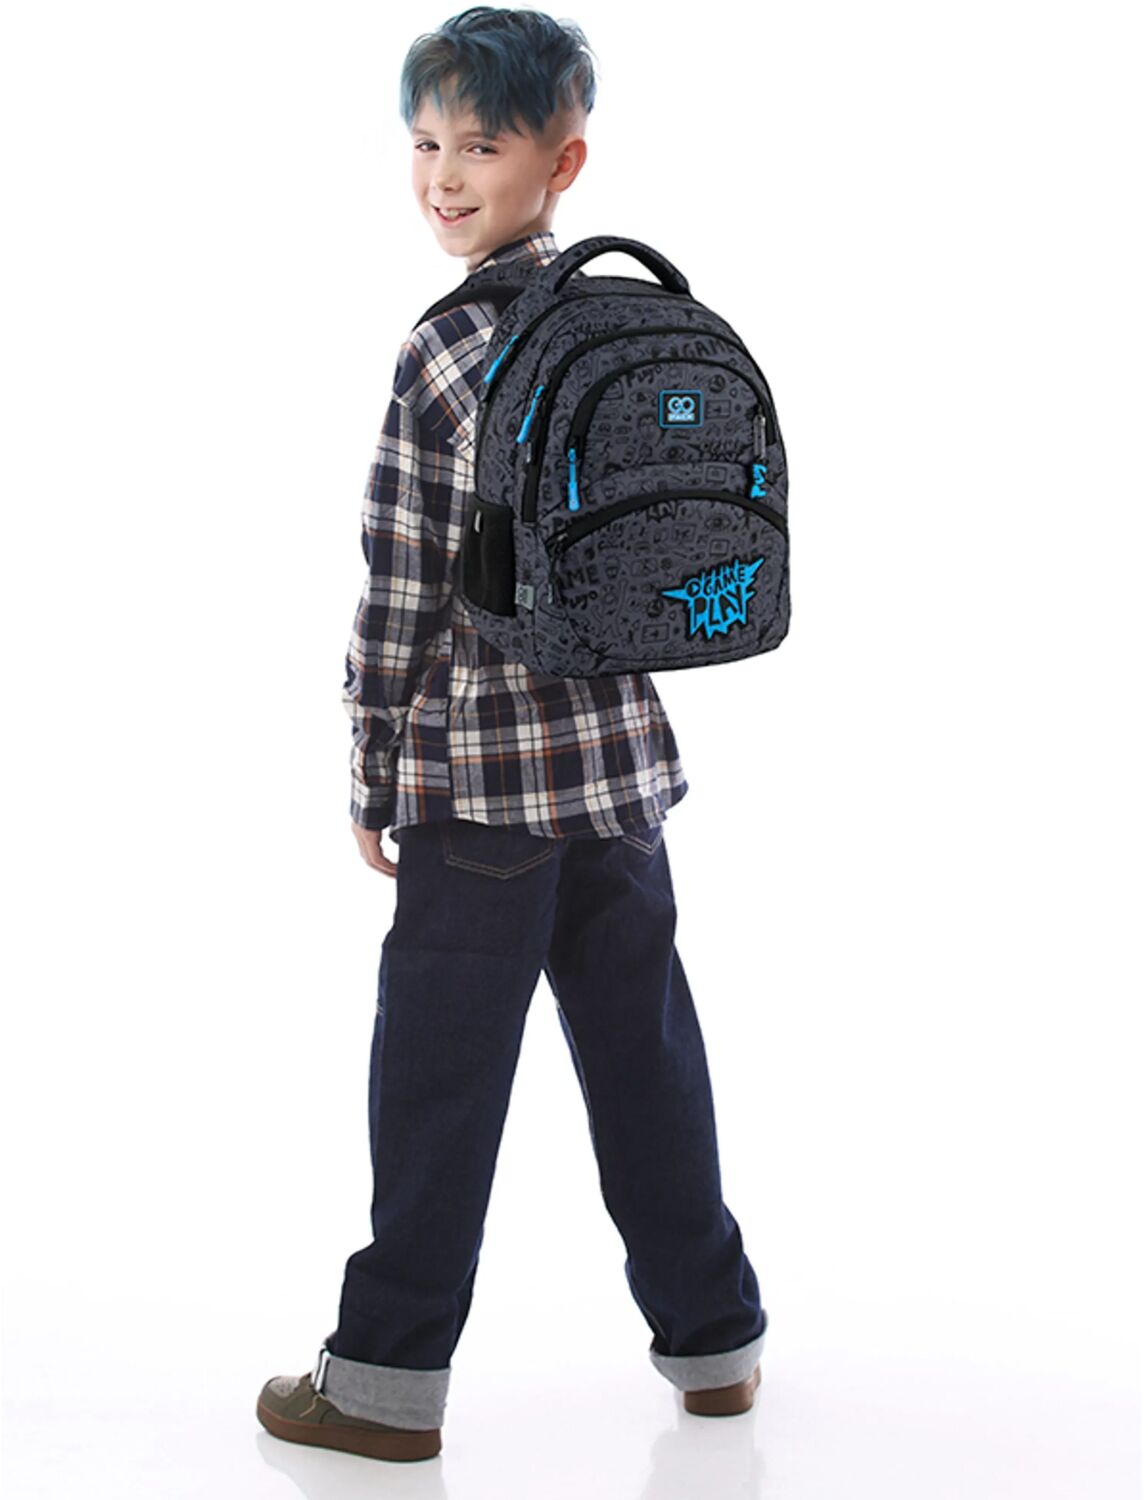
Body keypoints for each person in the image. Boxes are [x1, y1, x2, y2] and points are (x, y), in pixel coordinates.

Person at [256, 5, 766, 1464]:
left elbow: (402, 584)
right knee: (645, 1060)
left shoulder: (445, 351)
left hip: (478, 787)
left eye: (481, 145)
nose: (443, 174)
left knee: (438, 1083)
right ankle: (716, 1343)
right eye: (424, 141)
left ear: (564, 160)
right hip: (619, 781)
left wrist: (372, 767)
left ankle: (381, 1384)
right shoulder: (621, 323)